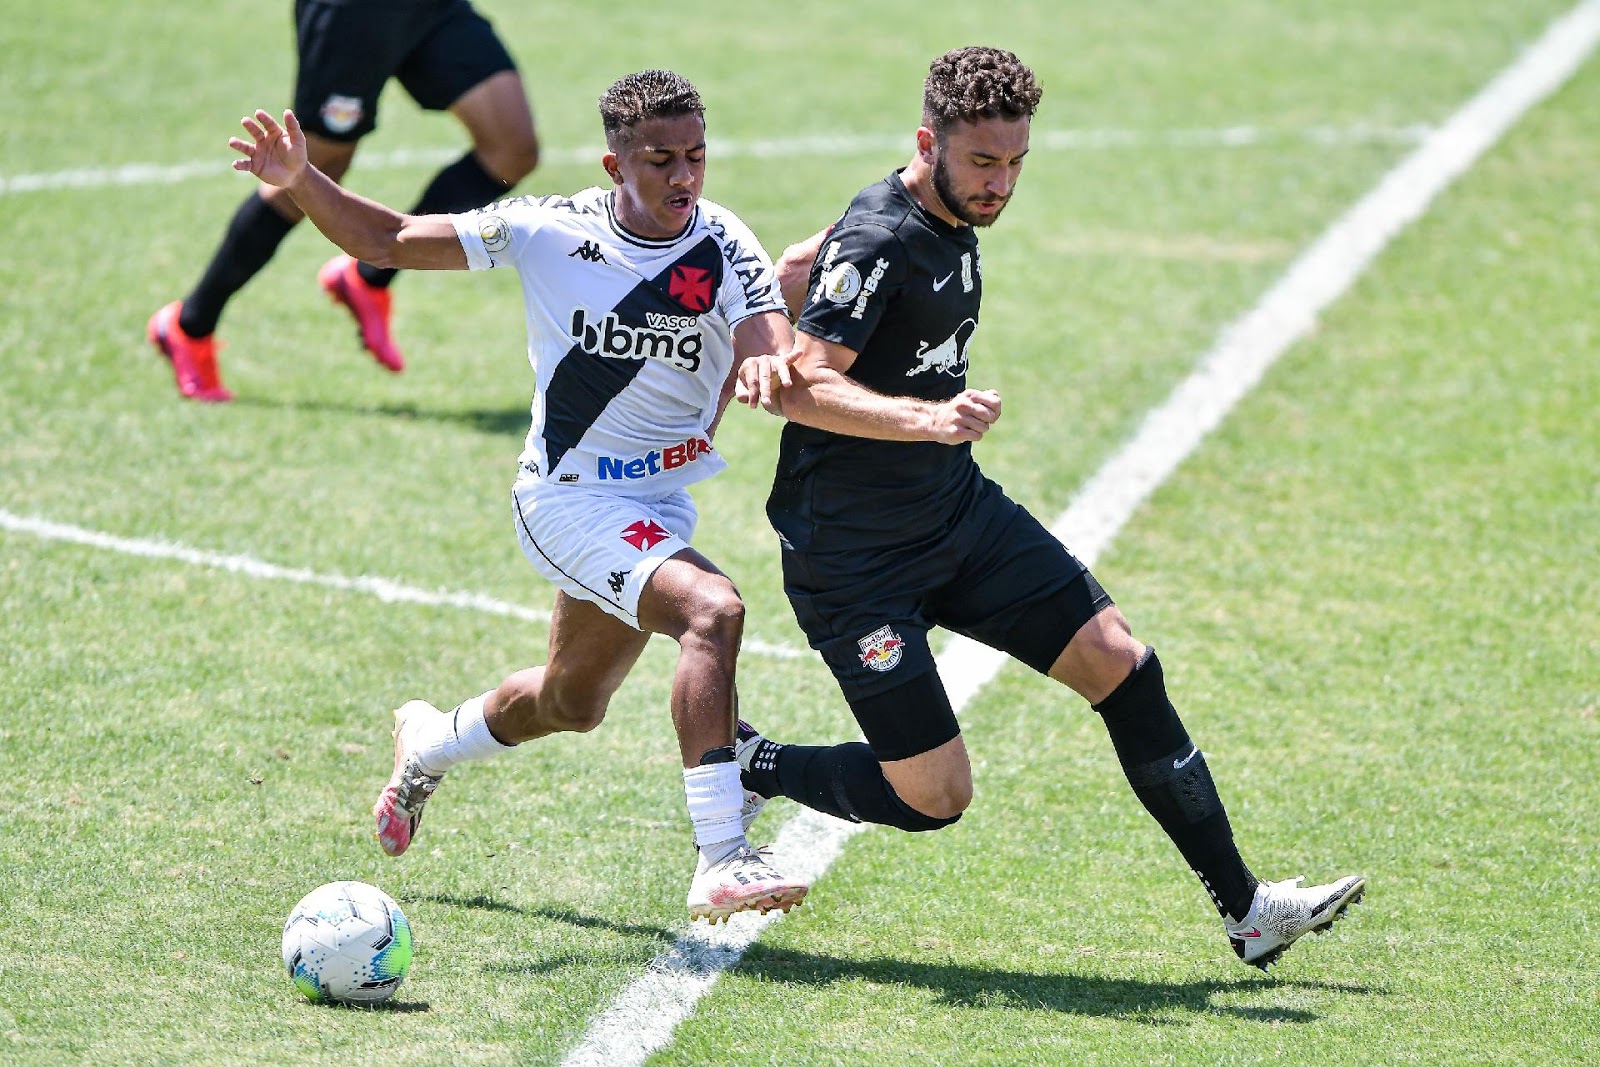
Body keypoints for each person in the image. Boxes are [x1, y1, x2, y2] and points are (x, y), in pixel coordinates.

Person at [733, 46, 1365, 969]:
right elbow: (801, 387)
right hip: (854, 559)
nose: (1002, 183)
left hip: (956, 517)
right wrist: (927, 416)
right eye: (984, 163)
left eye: (1017, 161)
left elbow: (803, 279)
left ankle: (1249, 911)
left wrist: (789, 278)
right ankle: (758, 765)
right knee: (934, 796)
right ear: (928, 142)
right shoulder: (882, 234)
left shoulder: (937, 216)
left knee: (1123, 664)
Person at [228, 69, 808, 922]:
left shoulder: (724, 243)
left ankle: (429, 741)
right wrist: (302, 180)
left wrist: (767, 356)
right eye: (658, 161)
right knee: (711, 611)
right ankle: (722, 852)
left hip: (656, 506)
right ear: (614, 165)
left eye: (695, 156)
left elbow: (765, 332)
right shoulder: (545, 229)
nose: (683, 178)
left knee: (572, 702)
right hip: (566, 498)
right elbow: (388, 240)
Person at [148, 0, 541, 401]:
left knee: (512, 149)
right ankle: (189, 325)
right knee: (309, 174)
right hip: (354, 12)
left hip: (430, 8)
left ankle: (367, 277)